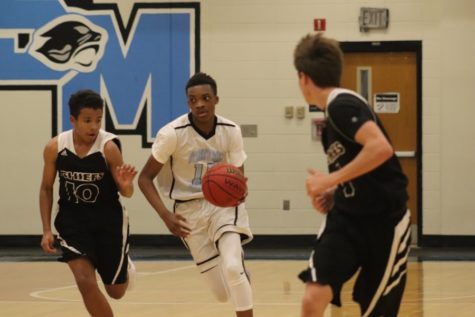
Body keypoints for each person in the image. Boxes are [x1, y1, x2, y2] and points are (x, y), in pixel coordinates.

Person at [293, 33, 411, 317]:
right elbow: (363, 167)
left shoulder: (341, 103)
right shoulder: (331, 117)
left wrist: (328, 180)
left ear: (303, 77)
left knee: (376, 311)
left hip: (385, 221)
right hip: (346, 219)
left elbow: (380, 148)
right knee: (313, 296)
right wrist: (334, 193)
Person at [138, 72, 254, 317]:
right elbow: (144, 178)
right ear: (188, 102)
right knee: (222, 294)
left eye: (205, 98)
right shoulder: (172, 134)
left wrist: (239, 188)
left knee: (232, 268)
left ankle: (238, 268)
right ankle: (241, 274)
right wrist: (165, 216)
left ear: (216, 100)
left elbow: (237, 175)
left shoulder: (231, 130)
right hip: (187, 211)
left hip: (222, 205)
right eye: (193, 99)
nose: (199, 104)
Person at [39, 89, 137, 317]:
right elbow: (46, 188)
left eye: (98, 120)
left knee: (116, 292)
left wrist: (125, 184)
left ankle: (125, 267)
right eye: (87, 121)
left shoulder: (109, 147)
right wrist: (46, 230)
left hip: (108, 222)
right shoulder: (55, 147)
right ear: (73, 120)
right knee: (84, 281)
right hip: (73, 223)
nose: (94, 126)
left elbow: (128, 193)